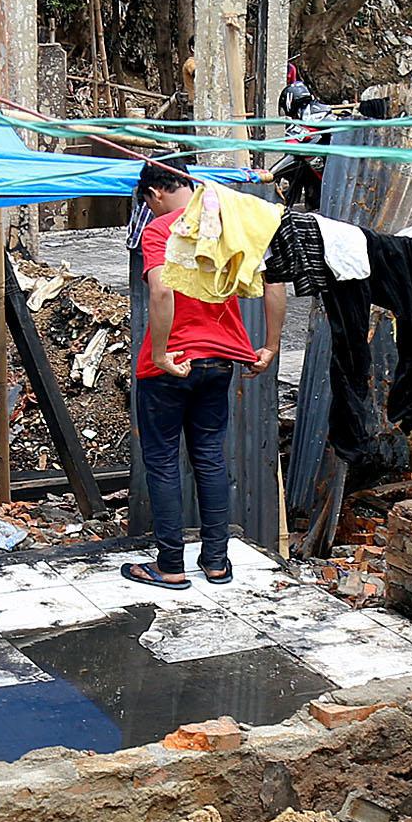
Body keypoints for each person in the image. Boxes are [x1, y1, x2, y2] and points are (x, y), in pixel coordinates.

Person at [121, 162, 281, 589]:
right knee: (210, 458)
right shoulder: (229, 223)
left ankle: (170, 566)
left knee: (162, 461)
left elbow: (162, 290)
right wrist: (270, 345)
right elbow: (275, 281)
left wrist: (160, 353)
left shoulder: (162, 228)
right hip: (220, 360)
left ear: (155, 193)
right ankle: (216, 562)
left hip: (169, 363)